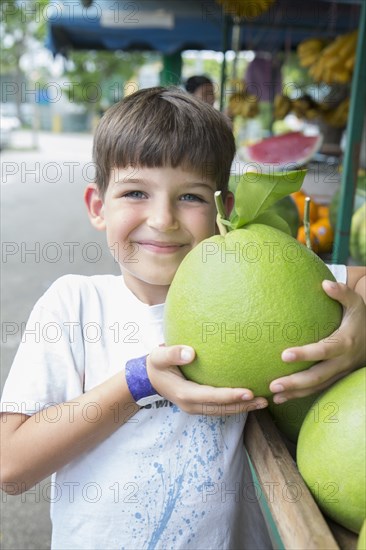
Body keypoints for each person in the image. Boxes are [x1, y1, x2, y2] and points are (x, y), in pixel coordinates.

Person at [0, 87, 365, 550]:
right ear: (97, 206)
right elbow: (11, 467)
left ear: (223, 211)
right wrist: (138, 382)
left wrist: (359, 331)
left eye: (190, 197)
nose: (163, 219)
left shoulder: (255, 275)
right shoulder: (74, 305)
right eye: (135, 192)